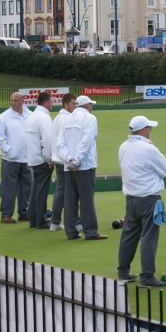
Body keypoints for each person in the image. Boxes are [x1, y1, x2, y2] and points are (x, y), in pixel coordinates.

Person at [117, 115, 166, 287]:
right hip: (149, 198)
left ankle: (123, 272)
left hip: (131, 198)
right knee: (149, 237)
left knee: (129, 235)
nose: (150, 131)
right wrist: (154, 148)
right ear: (143, 130)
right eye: (149, 128)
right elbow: (165, 170)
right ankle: (147, 276)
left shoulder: (123, 146)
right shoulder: (148, 148)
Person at [58, 95, 107, 240]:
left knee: (70, 199)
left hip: (69, 165)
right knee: (86, 200)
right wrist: (77, 160)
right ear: (87, 106)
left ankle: (71, 232)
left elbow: (60, 143)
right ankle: (91, 232)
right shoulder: (90, 118)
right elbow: (87, 141)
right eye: (91, 105)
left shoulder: (66, 119)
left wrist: (68, 159)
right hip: (84, 165)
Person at [0, 91, 32, 224]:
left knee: (26, 187)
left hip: (27, 159)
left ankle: (24, 212)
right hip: (10, 159)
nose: (13, 103)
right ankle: (6, 214)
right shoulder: (4, 117)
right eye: (11, 100)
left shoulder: (30, 115)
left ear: (22, 101)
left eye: (16, 101)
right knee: (9, 188)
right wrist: (9, 151)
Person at [26, 91, 54, 229]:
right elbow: (47, 141)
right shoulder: (44, 118)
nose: (53, 104)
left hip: (32, 158)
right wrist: (49, 160)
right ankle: (41, 221)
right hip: (42, 160)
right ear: (46, 102)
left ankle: (33, 220)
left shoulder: (31, 116)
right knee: (41, 191)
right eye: (52, 101)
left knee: (35, 190)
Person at [49, 93, 77, 232]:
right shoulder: (67, 119)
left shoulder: (57, 118)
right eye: (73, 103)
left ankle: (55, 222)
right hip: (64, 160)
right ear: (65, 104)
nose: (75, 106)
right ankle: (74, 222)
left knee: (60, 191)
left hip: (58, 159)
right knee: (71, 192)